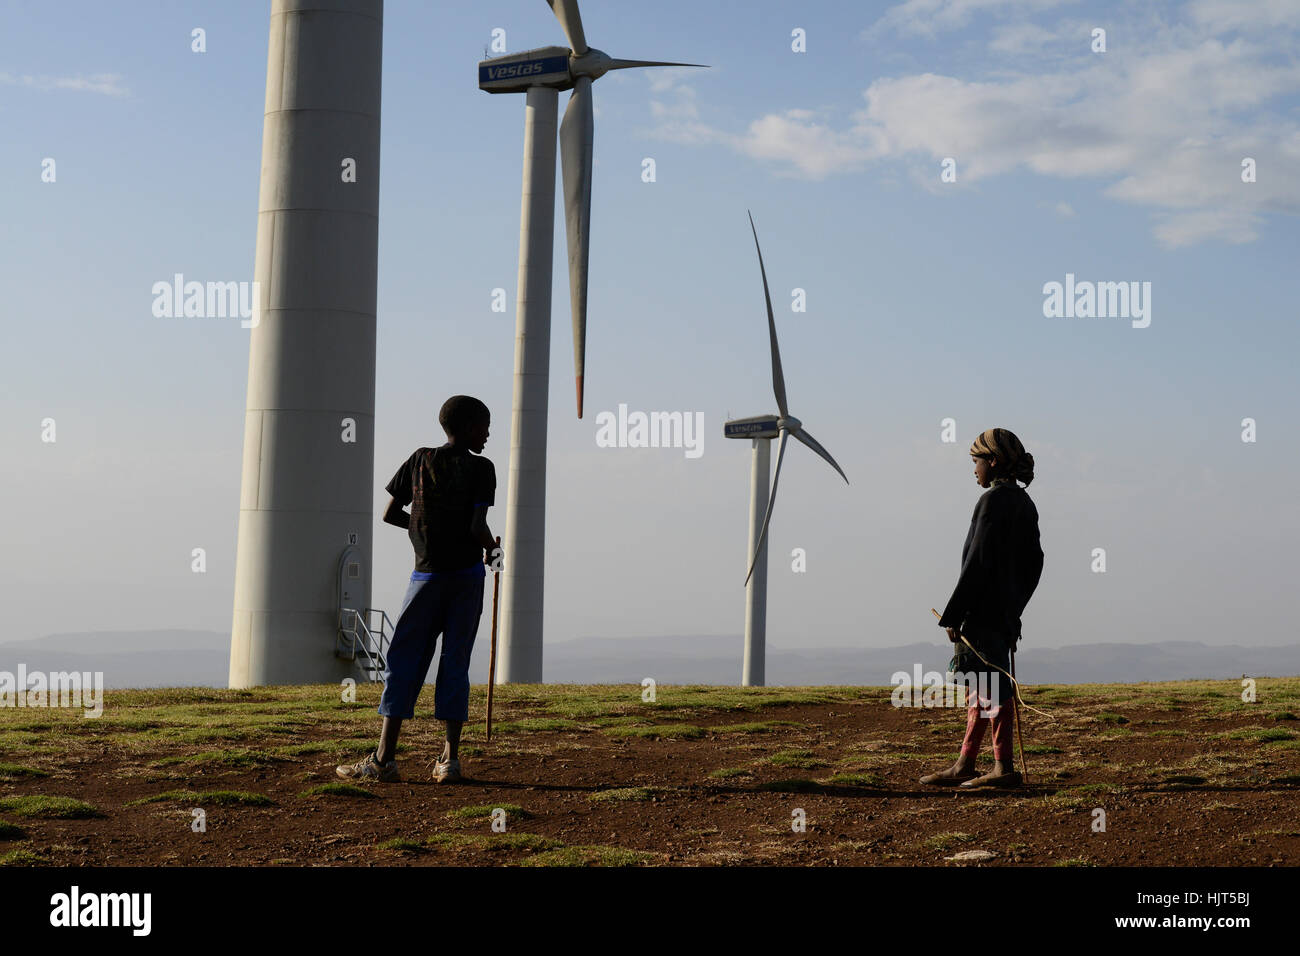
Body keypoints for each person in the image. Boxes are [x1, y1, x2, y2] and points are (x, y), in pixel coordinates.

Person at [337, 395, 500, 785]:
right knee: (456, 661)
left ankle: (383, 759)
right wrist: (493, 549)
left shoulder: (420, 459)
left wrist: (425, 529)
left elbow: (391, 513)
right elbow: (478, 526)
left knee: (404, 662)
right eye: (484, 426)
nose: (489, 434)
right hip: (466, 579)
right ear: (465, 427)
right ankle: (449, 760)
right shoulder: (483, 468)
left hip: (425, 577)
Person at [922, 428, 1043, 789]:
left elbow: (977, 562)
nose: (974, 468)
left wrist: (955, 614)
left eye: (976, 461)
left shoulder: (992, 502)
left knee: (991, 688)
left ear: (992, 461)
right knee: (982, 687)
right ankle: (966, 763)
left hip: (983, 614)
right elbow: (1034, 565)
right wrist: (1014, 611)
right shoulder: (1024, 504)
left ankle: (1003, 768)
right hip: (1003, 614)